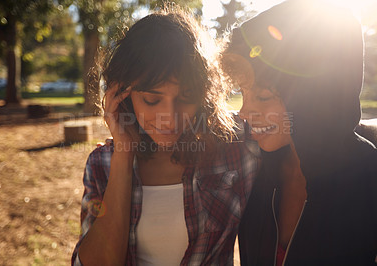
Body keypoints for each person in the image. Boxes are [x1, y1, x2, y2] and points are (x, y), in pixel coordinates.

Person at [71, 6, 260, 266]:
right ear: (123, 96)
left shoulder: (237, 146)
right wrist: (124, 157)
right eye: (151, 99)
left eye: (187, 97)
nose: (169, 117)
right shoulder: (101, 164)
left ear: (204, 95)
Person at [222, 0, 377, 265]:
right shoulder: (254, 166)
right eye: (242, 95)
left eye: (262, 96)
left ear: (313, 96)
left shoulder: (367, 174)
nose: (244, 113)